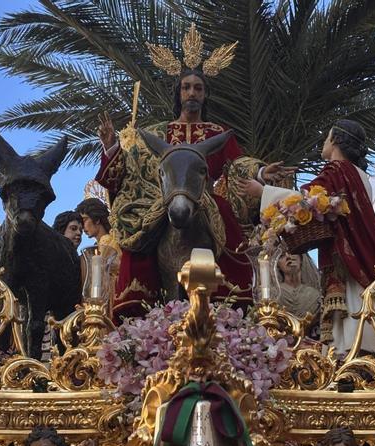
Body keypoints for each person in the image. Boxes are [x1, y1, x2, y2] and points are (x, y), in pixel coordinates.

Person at [95, 65, 293, 318]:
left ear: (205, 94)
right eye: (186, 88)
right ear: (178, 93)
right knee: (140, 238)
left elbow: (238, 163)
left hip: (204, 198)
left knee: (224, 216)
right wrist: (110, 146)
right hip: (163, 197)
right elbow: (133, 169)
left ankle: (232, 293)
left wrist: (260, 173)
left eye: (198, 88)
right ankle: (138, 298)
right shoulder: (158, 132)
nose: (192, 93)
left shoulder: (217, 133)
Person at [246, 120, 375, 353]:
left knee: (352, 300)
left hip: (347, 255)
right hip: (364, 251)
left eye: (326, 138)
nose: (323, 143)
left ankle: (350, 348)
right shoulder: (360, 175)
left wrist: (263, 192)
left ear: (335, 140)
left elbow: (310, 201)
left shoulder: (337, 169)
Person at [277, 252, 321, 335]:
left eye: (293, 252)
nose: (288, 257)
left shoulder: (315, 295)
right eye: (282, 256)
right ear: (278, 265)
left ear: (301, 259)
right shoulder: (273, 293)